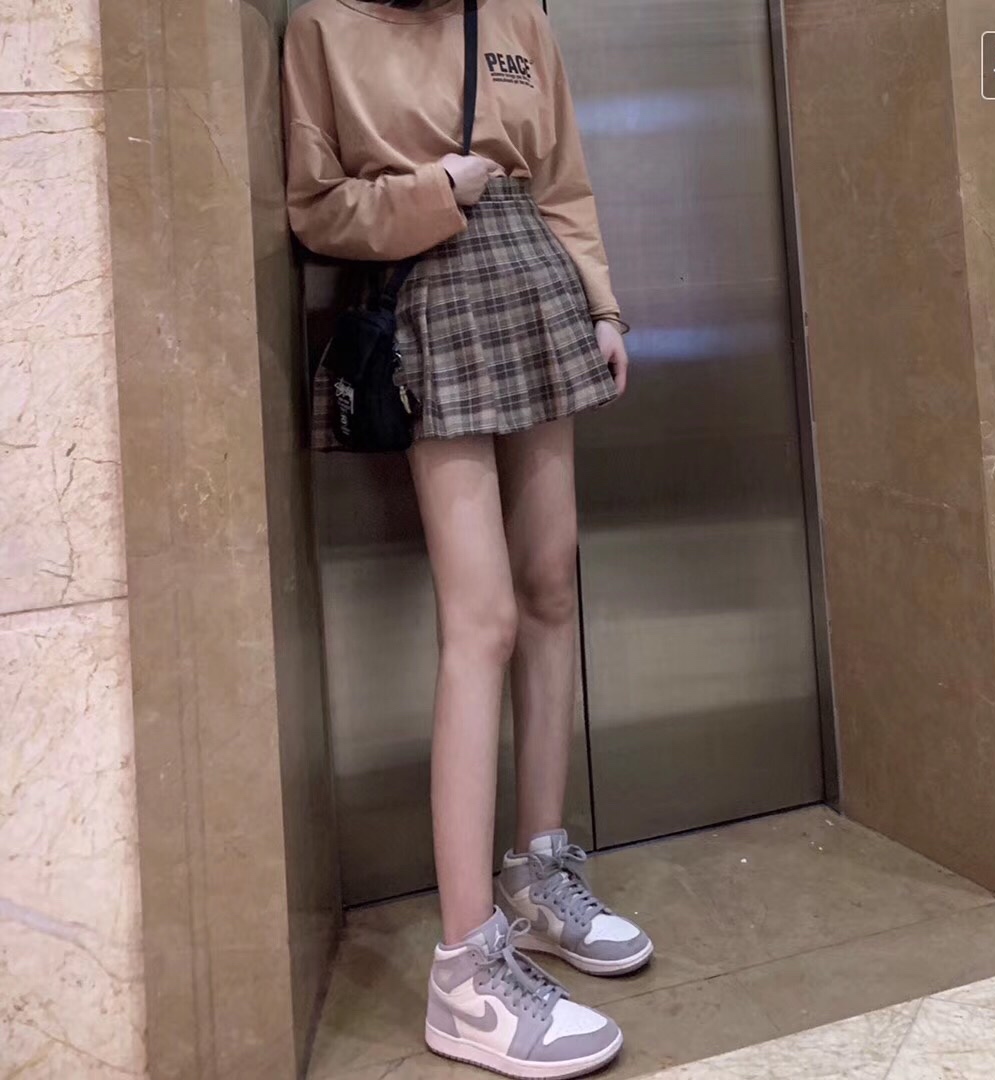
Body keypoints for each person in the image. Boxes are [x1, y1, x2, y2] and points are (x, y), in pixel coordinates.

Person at [283, 1, 651, 1075]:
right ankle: (466, 968)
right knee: (480, 621)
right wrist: (436, 192)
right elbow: (315, 208)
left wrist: (603, 306)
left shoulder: (517, 14)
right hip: (429, 296)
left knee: (550, 587)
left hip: (535, 287)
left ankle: (537, 873)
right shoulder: (322, 26)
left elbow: (564, 177)